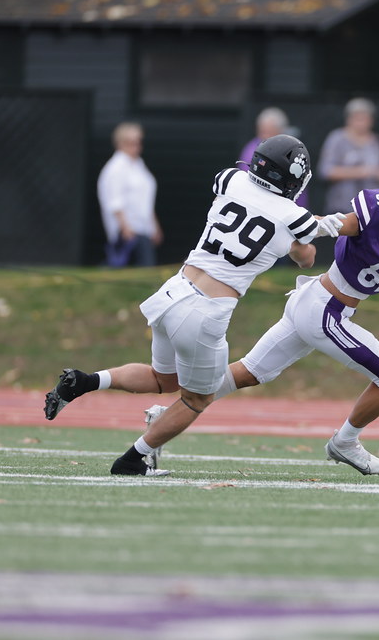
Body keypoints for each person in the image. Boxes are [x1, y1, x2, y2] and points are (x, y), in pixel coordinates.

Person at [43, 135, 346, 476]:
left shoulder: (229, 179)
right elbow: (305, 258)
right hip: (207, 312)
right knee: (196, 399)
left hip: (174, 291)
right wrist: (318, 226)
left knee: (163, 379)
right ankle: (132, 459)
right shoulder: (295, 216)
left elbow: (257, 208)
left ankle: (84, 381)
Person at [214, 164, 379, 475]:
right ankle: (345, 442)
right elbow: (332, 226)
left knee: (250, 372)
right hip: (324, 309)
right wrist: (301, 226)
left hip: (319, 306)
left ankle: (170, 412)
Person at [97, 122, 163, 267]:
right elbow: (114, 201)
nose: (137, 145)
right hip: (129, 229)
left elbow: (145, 200)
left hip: (143, 228)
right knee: (131, 266)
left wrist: (154, 226)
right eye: (131, 142)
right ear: (120, 143)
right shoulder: (116, 168)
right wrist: (125, 228)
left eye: (138, 141)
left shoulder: (138, 165)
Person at [318, 97, 379, 214]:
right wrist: (361, 172)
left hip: (371, 209)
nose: (361, 122)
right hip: (341, 209)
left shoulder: (376, 142)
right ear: (349, 119)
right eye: (357, 118)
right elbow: (326, 171)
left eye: (364, 118)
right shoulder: (337, 139)